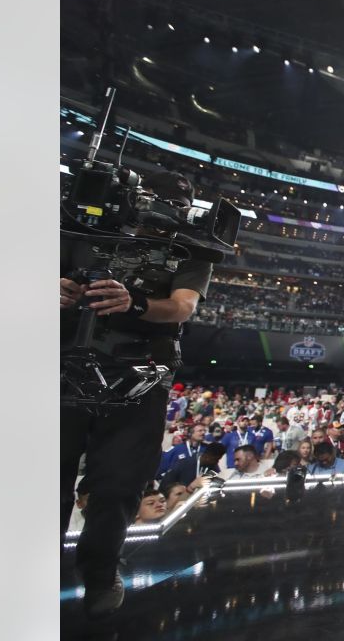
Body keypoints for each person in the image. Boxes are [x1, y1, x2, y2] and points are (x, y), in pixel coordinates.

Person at [60, 171, 214, 618]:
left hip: (140, 374)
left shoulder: (193, 245)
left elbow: (183, 306)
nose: (170, 208)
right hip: (64, 360)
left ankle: (101, 570)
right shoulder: (82, 223)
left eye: (180, 201)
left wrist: (137, 304)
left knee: (118, 483)